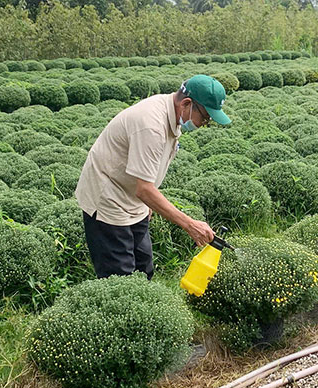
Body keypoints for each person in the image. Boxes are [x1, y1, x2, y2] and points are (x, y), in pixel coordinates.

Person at [74, 74, 229, 279]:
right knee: (120, 276)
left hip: (134, 196)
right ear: (187, 104)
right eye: (205, 117)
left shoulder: (173, 114)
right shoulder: (151, 125)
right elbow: (144, 189)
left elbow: (145, 183)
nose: (204, 123)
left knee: (144, 266)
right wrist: (189, 224)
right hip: (108, 199)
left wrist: (147, 203)